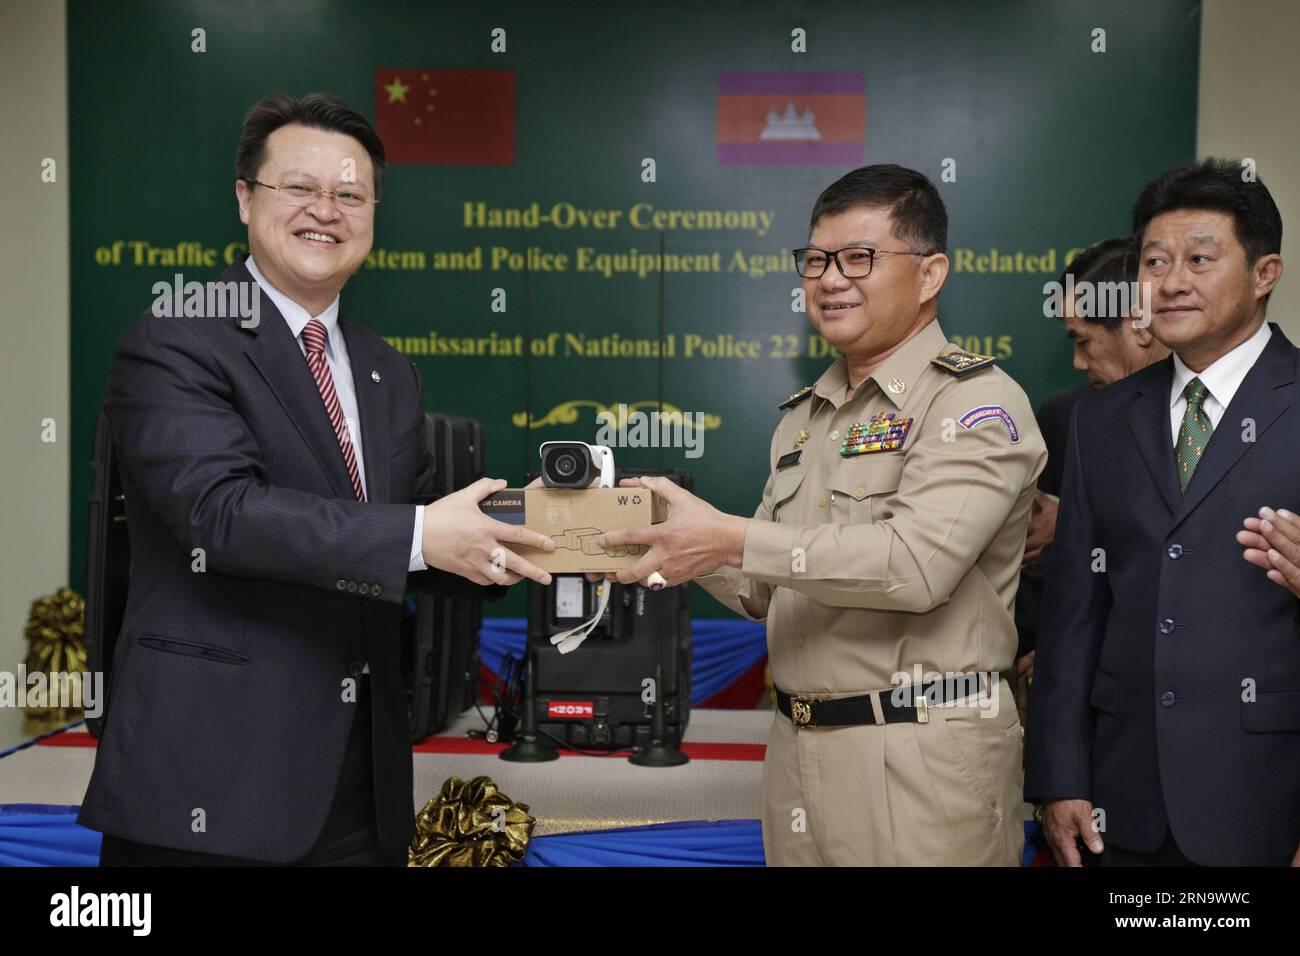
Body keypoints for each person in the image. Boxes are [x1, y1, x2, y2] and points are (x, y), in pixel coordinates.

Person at [80, 93, 556, 866]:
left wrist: (550, 538)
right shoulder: (176, 336)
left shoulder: (387, 371)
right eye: (299, 188)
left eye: (349, 194)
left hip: (362, 781)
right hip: (212, 779)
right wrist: (423, 532)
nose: (325, 211)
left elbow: (412, 536)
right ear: (245, 198)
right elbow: (220, 514)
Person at [598, 164, 1045, 865]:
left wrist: (730, 536)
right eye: (815, 260)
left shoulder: (974, 405)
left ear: (929, 276)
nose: (830, 279)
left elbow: (914, 568)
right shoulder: (807, 418)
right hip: (797, 753)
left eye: (859, 258)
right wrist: (656, 528)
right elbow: (762, 590)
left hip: (919, 758)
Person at [1025, 158, 1298, 867]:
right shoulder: (1101, 421)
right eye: (1154, 261)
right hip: (1121, 805)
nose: (1171, 282)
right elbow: (1074, 617)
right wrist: (1059, 776)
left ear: (1265, 272)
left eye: (1200, 259)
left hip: (1267, 802)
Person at [1015, 239, 1171, 686]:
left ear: (1140, 324)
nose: (1078, 362)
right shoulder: (1071, 418)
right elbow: (1050, 571)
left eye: (1084, 341)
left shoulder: (1228, 412)